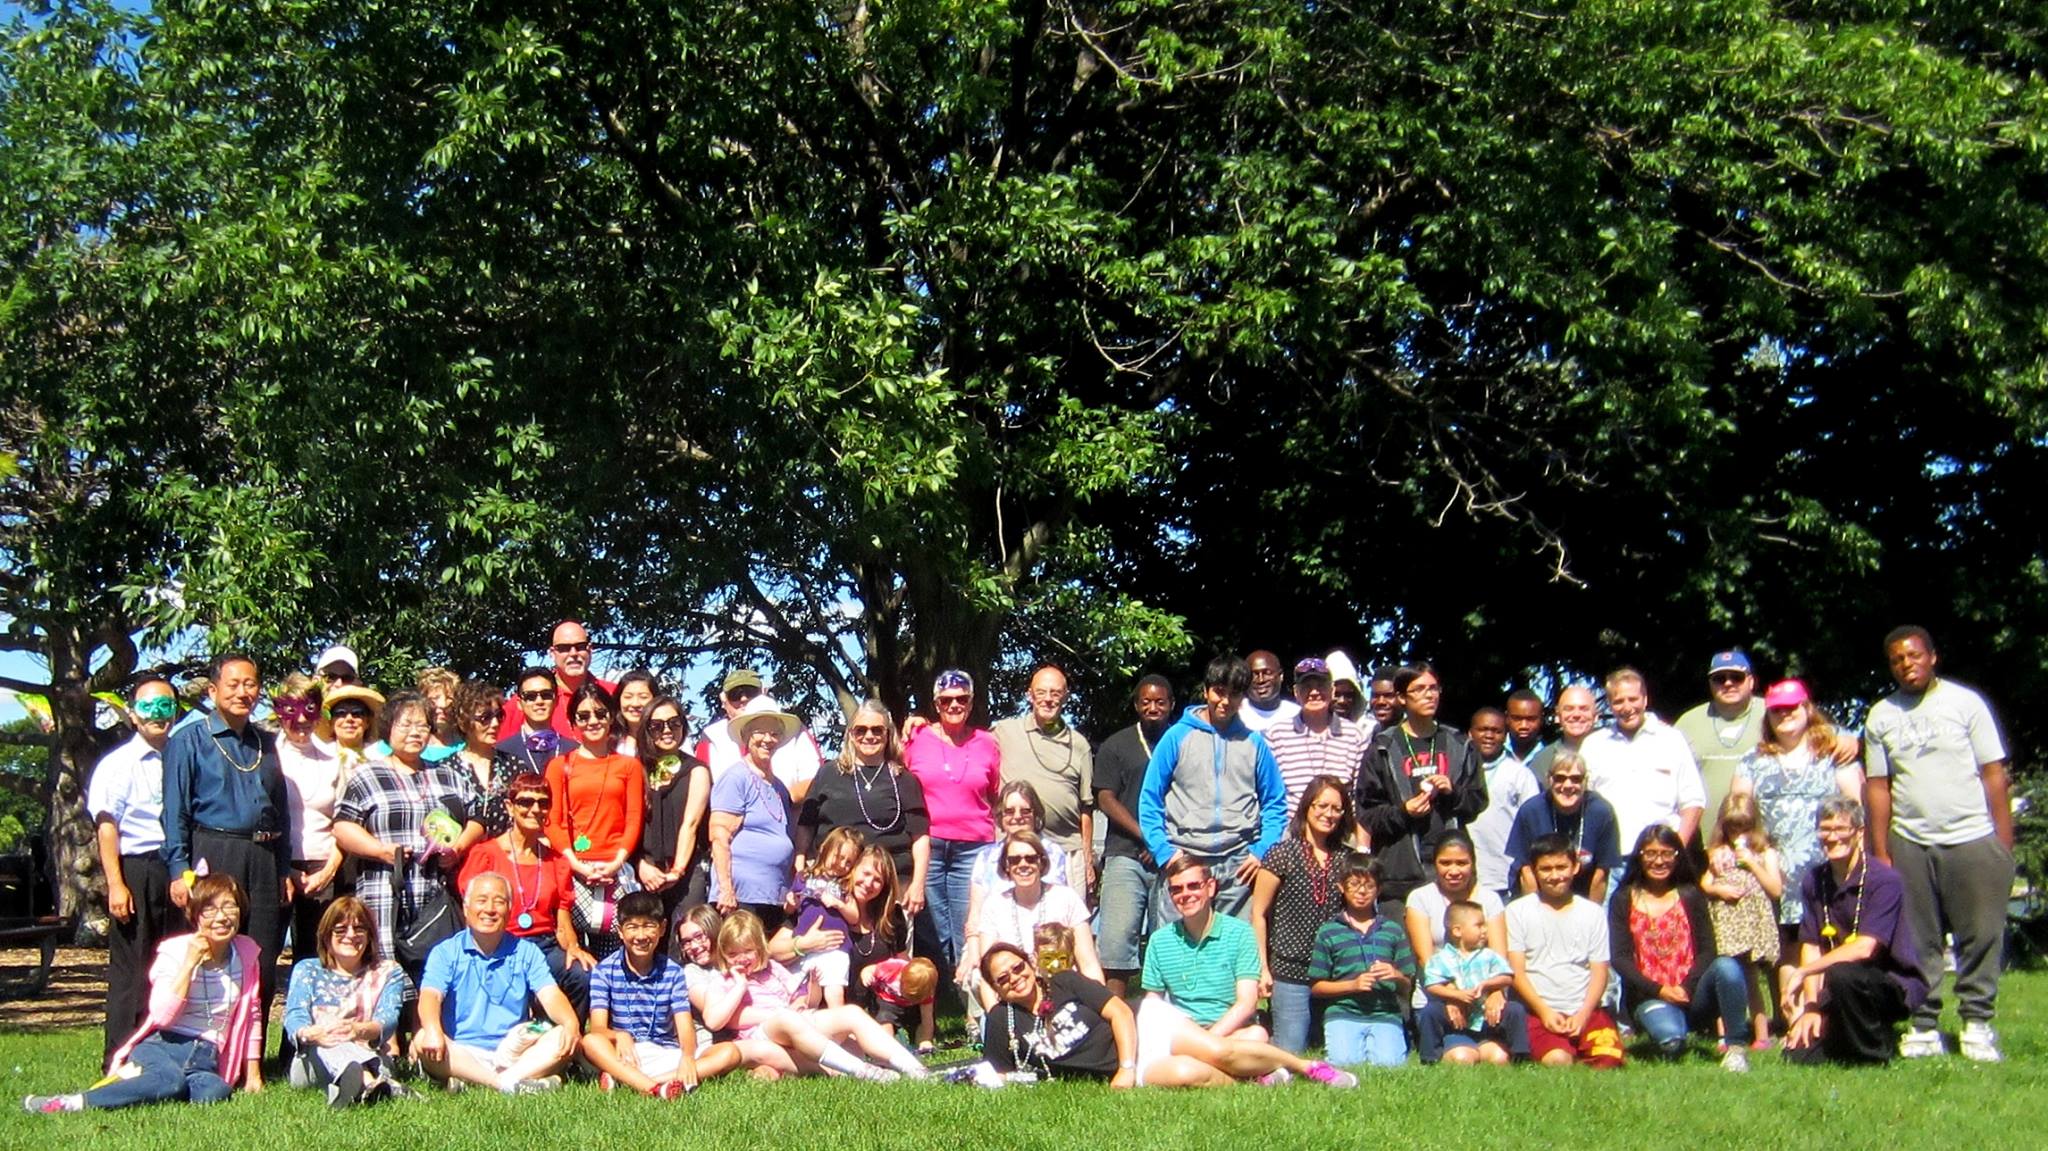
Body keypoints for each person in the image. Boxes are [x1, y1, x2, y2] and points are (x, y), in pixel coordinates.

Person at [1864, 626, 2014, 1061]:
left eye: (1914, 655)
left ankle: (1977, 1023)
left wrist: (2002, 843)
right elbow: (1878, 787)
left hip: (1972, 837)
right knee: (1917, 939)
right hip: (1910, 840)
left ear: (1933, 656)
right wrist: (1881, 851)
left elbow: (1993, 774)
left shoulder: (1966, 704)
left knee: (1981, 935)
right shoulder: (1881, 715)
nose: (1906, 664)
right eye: (1897, 659)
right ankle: (1924, 1024)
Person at [26, 875, 266, 1114]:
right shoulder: (174, 952)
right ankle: (73, 1102)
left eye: (229, 906)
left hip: (205, 1058)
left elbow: (252, 1015)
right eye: (210, 909)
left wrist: (253, 1075)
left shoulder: (246, 953)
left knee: (214, 1092)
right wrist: (189, 964)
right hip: (164, 1046)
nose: (222, 917)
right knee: (171, 1082)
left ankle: (145, 1082)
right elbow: (162, 1017)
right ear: (195, 915)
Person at [1134, 857, 1357, 1087]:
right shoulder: (1159, 941)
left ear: (1210, 887)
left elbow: (1247, 1003)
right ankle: (1273, 1073)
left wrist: (1208, 1041)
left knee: (1256, 1035)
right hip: (1182, 1034)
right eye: (1177, 889)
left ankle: (1305, 1068)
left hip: (1229, 1031)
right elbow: (1153, 1005)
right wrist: (1201, 1043)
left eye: (1193, 886)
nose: (1185, 894)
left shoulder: (1240, 933)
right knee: (1184, 1072)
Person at [159, 652, 292, 1031]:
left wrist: (283, 867)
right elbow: (174, 812)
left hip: (263, 856)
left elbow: (281, 811)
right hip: (214, 852)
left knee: (261, 959)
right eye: (233, 684)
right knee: (214, 955)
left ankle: (250, 1052)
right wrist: (178, 869)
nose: (242, 692)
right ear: (213, 690)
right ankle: (210, 1044)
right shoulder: (189, 741)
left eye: (250, 684)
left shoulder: (267, 742)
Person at [1731, 678, 1864, 1009]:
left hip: (1827, 863)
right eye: (1776, 710)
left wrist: (1859, 857)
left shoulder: (1833, 752)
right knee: (1787, 945)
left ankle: (1827, 1010)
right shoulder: (1752, 760)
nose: (1784, 715)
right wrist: (1742, 853)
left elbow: (1856, 806)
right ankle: (1794, 1017)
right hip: (1774, 868)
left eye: (1791, 708)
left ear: (1807, 709)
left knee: (1828, 938)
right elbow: (1739, 812)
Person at [332, 691, 482, 969]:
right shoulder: (368, 775)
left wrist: (458, 847)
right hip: (383, 890)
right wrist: (380, 851)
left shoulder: (448, 776)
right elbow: (342, 827)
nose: (415, 732)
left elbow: (478, 817)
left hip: (435, 896)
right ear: (388, 728)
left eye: (422, 725)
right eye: (406, 725)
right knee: (383, 970)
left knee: (436, 973)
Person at [695, 909, 930, 1080]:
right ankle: (862, 1071)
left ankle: (915, 1068)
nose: (742, 959)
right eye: (733, 954)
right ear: (724, 955)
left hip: (795, 1027)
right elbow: (713, 1021)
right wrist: (740, 986)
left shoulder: (773, 970)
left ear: (760, 948)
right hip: (761, 1035)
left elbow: (803, 1001)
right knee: (786, 1018)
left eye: (748, 951)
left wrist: (810, 991)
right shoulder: (722, 981)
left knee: (850, 1013)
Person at [1138, 655, 1288, 918]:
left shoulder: (1254, 743)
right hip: (1185, 858)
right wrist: (1165, 852)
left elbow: (1275, 802)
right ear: (1206, 691)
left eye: (1234, 694)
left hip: (1239, 866)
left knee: (1235, 941)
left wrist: (1261, 851)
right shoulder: (1176, 737)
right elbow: (1150, 798)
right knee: (1176, 941)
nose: (1225, 701)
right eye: (1219, 692)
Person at [1782, 796, 1927, 1065]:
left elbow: (1864, 948)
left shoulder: (1884, 880)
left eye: (1840, 829)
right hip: (1837, 986)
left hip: (1888, 983)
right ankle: (1851, 1040)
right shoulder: (1815, 880)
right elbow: (1812, 945)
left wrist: (1803, 972)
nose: (1832, 837)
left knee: (1844, 974)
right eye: (1825, 829)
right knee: (1798, 1054)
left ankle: (1874, 1055)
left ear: (1859, 833)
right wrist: (1811, 1007)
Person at [410, 872, 580, 1093]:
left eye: (499, 902)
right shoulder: (445, 952)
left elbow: (550, 995)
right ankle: (510, 1083)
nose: (490, 909)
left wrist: (570, 1022)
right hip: (462, 1051)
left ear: (509, 910)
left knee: (561, 1035)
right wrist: (433, 1030)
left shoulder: (527, 951)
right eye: (481, 900)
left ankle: (482, 1080)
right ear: (466, 908)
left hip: (513, 1052)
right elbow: (430, 995)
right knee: (423, 1038)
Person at [1607, 826, 1754, 1072]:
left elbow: (1708, 949)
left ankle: (1737, 1048)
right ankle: (1672, 1029)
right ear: (1640, 856)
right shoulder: (1623, 898)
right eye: (1651, 853)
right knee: (1671, 1043)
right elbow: (1620, 959)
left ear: (1677, 856)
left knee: (1727, 967)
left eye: (1667, 853)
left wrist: (1686, 987)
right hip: (1650, 995)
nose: (1659, 861)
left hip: (1691, 992)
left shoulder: (1690, 894)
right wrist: (1660, 990)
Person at [88, 676, 180, 1063]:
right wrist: (116, 884)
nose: (158, 715)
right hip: (137, 868)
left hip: (176, 868)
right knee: (133, 966)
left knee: (173, 962)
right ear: (132, 714)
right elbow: (106, 827)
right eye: (148, 706)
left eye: (166, 706)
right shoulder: (117, 764)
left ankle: (163, 1053)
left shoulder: (182, 756)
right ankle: (120, 1056)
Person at [581, 890, 741, 1097]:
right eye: (632, 927)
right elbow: (598, 1028)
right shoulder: (604, 971)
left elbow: (684, 1025)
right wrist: (619, 1035)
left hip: (664, 1051)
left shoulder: (673, 972)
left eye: (649, 926)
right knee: (591, 1042)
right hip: (626, 1053)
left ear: (662, 928)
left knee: (729, 1053)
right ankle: (654, 1088)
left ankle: (635, 1080)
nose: (641, 936)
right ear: (620, 931)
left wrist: (687, 1056)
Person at [456, 772, 593, 1014]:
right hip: (499, 942)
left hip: (545, 945)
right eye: (526, 802)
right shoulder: (485, 855)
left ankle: (564, 1034)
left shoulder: (556, 861)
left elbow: (562, 922)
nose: (535, 809)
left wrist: (573, 947)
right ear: (510, 807)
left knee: (582, 974)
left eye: (543, 803)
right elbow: (472, 915)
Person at [1355, 664, 1488, 903]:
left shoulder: (1459, 744)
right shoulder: (1383, 747)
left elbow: (1477, 801)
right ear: (1401, 697)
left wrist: (1452, 792)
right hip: (1400, 875)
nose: (1429, 695)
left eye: (1433, 688)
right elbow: (1367, 813)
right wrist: (1403, 812)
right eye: (1419, 689)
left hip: (1451, 872)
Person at [902, 668, 1002, 977]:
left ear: (971, 703)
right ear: (936, 704)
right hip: (929, 843)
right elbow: (899, 782)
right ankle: (937, 988)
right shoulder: (916, 738)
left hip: (973, 845)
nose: (954, 705)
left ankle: (968, 986)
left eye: (961, 699)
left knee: (968, 923)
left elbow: (994, 794)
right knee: (931, 925)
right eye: (946, 700)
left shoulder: (987, 743)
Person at [796, 699, 931, 925]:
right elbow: (806, 825)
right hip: (833, 884)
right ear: (850, 734)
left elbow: (920, 837)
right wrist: (800, 866)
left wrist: (918, 884)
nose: (869, 736)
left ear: (888, 734)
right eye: (861, 730)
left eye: (877, 730)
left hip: (891, 887)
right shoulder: (828, 774)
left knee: (890, 947)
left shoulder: (904, 779)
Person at [1249, 775, 1353, 1053]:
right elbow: (1258, 913)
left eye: (1336, 808)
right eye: (1322, 806)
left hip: (1333, 973)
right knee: (1291, 1050)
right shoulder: (1281, 854)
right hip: (1290, 970)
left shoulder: (1346, 859)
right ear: (1307, 806)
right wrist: (1263, 968)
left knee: (1336, 1051)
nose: (1329, 814)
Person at [546, 681, 646, 957]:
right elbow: (552, 821)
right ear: (573, 722)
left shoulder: (629, 766)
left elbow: (634, 818)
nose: (593, 721)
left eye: (600, 713)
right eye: (584, 715)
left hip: (615, 869)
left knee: (615, 955)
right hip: (572, 870)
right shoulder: (559, 766)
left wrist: (615, 863)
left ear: (611, 717)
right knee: (573, 955)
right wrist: (576, 864)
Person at [1506, 834, 1623, 1068]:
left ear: (1575, 867)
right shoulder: (1517, 911)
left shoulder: (1592, 913)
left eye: (1561, 867)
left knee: (1609, 1060)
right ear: (1534, 871)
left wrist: (1583, 1014)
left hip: (1586, 1009)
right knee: (1558, 1060)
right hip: (1539, 1011)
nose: (1554, 876)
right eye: (1546, 869)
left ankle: (1582, 1045)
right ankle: (1563, 1049)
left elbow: (1599, 970)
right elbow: (1516, 972)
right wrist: (1545, 1012)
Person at [282, 896, 410, 1106]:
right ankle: (369, 1082)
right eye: (340, 930)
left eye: (359, 929)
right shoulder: (307, 969)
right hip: (313, 1059)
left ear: (370, 936)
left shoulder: (389, 972)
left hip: (371, 1056)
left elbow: (388, 1019)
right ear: (326, 936)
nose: (351, 935)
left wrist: (356, 1030)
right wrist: (311, 1033)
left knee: (336, 1036)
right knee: (329, 1038)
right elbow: (295, 1016)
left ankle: (348, 1090)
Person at [1403, 830, 1514, 1063]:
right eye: (1445, 863)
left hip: (1483, 1001)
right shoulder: (1420, 898)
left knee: (1498, 1058)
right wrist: (1453, 996)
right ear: (1434, 864)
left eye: (1462, 863)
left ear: (1473, 863)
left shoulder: (1490, 899)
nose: (1453, 870)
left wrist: (1495, 992)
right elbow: (1425, 959)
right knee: (1462, 1057)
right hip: (1436, 1002)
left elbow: (1499, 956)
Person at [1093, 675, 1173, 995]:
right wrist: (1146, 836)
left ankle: (1169, 1014)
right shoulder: (1117, 744)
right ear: (1137, 705)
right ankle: (1115, 1016)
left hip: (1171, 854)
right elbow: (1105, 798)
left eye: (1160, 702)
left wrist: (1162, 842)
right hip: (1125, 852)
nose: (1153, 708)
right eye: (1146, 702)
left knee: (1171, 941)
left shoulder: (1183, 742)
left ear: (1171, 705)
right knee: (1116, 943)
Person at [963, 830, 1102, 1006]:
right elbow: (988, 973)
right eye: (1015, 860)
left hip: (1063, 990)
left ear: (1041, 862)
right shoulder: (993, 905)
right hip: (1015, 993)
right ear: (1006, 866)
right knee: (976, 976)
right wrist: (994, 1016)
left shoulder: (1067, 898)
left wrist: (1101, 1006)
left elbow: (1088, 964)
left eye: (1030, 858)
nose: (1023, 864)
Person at [1581, 667, 1706, 863]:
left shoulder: (1671, 739)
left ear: (1645, 699)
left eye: (1633, 699)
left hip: (1661, 859)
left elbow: (1693, 801)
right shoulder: (1593, 745)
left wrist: (1676, 850)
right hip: (1611, 860)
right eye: (1619, 701)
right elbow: (1582, 804)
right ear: (1610, 705)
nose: (1627, 707)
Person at [992, 664, 1094, 891]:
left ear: (1065, 697)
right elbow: (967, 741)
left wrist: (1087, 859)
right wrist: (919, 723)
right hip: (1015, 851)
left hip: (1067, 850)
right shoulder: (1005, 731)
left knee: (1068, 913)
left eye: (1055, 693)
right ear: (1030, 695)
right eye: (1041, 692)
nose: (1048, 699)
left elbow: (1086, 808)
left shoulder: (1079, 745)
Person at [1307, 856, 1416, 1067]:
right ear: (1341, 887)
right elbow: (1316, 987)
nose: (1362, 891)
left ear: (1379, 889)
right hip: (1343, 1012)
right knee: (1344, 1063)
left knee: (1389, 1066)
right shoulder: (1329, 931)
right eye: (1354, 884)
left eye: (1369, 885)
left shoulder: (1392, 930)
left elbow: (1407, 985)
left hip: (1385, 1013)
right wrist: (1353, 985)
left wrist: (1397, 976)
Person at [272, 673, 346, 982]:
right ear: (279, 712)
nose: (301, 719)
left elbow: (345, 820)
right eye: (292, 710)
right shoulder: (267, 755)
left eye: (309, 709)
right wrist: (285, 869)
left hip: (323, 866)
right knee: (266, 952)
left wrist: (328, 870)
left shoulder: (334, 758)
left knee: (317, 958)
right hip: (277, 865)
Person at [979, 943, 1137, 1084]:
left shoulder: (1065, 981)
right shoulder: (1002, 1019)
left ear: (1030, 964)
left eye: (1018, 968)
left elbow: (1121, 1013)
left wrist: (1126, 1069)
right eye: (1003, 978)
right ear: (995, 988)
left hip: (1134, 1045)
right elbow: (999, 1075)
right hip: (1098, 1075)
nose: (1014, 978)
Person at [709, 695, 800, 932]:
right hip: (740, 898)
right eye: (760, 732)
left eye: (774, 734)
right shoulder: (735, 778)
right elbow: (719, 836)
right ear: (746, 736)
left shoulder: (779, 787)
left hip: (774, 898)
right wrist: (726, 890)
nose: (767, 739)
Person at [1699, 792, 1781, 1048]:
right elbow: (1705, 883)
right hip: (1726, 923)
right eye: (1732, 827)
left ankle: (1761, 1034)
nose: (1738, 833)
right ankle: (1725, 1034)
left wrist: (1752, 864)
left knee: (1751, 978)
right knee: (1726, 977)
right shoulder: (1718, 852)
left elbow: (1775, 889)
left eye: (1744, 827)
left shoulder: (1765, 853)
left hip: (1752, 923)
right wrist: (1718, 889)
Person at [961, 781, 1071, 946]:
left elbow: (1057, 908)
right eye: (1009, 811)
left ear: (1036, 814)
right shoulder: (986, 857)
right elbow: (975, 916)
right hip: (992, 941)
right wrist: (972, 951)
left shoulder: (1052, 853)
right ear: (1000, 816)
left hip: (1043, 941)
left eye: (1025, 811)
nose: (1017, 817)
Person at [1505, 750, 1621, 901]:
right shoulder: (1531, 811)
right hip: (1538, 895)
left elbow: (1601, 874)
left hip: (1583, 897)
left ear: (1585, 781)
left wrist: (1592, 912)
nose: (1567, 785)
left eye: (1576, 779)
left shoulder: (1601, 812)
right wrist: (1535, 911)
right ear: (1549, 779)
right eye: (1560, 778)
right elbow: (1526, 871)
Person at [697, 669, 827, 801]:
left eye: (751, 692)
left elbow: (816, 779)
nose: (744, 698)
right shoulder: (712, 736)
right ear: (724, 700)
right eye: (735, 694)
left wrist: (778, 803)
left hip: (790, 811)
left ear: (763, 693)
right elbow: (699, 788)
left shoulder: (793, 729)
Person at [1264, 657, 1372, 816]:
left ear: (1332, 691)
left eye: (1321, 686)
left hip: (1339, 826)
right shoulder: (1276, 735)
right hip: (1292, 827)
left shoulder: (1355, 736)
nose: (1314, 692)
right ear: (1296, 692)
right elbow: (1269, 794)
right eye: (1307, 687)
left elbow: (1360, 796)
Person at [637, 694, 714, 917]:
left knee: (687, 931)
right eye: (657, 725)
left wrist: (677, 871)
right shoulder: (637, 768)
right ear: (647, 730)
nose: (667, 730)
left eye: (674, 723)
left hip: (686, 871)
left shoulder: (697, 770)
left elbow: (691, 824)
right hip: (645, 871)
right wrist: (641, 865)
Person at [1420, 902, 1522, 1066]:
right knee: (1430, 1012)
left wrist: (1488, 984)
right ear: (1457, 931)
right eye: (1479, 926)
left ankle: (1520, 1055)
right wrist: (1456, 995)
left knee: (1515, 1009)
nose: (1485, 930)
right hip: (1456, 1015)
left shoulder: (1489, 955)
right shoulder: (1440, 958)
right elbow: (1432, 985)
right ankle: (1430, 1057)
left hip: (1485, 1013)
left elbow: (1507, 977)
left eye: (1485, 925)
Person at [495, 619, 616, 742]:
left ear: (590, 650)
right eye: (564, 648)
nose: (573, 653)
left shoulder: (614, 694)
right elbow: (498, 748)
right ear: (552, 653)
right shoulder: (529, 699)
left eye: (580, 647)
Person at [1467, 705, 1541, 898]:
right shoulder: (1458, 772)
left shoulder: (1520, 775)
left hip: (1505, 878)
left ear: (1505, 736)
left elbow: (1533, 827)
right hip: (1462, 877)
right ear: (1470, 733)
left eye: (1496, 731)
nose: (1489, 736)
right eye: (1482, 730)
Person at [489, 668, 569, 836]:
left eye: (546, 695)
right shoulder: (501, 753)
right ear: (519, 703)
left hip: (566, 842)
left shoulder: (574, 750)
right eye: (530, 696)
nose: (539, 701)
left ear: (556, 700)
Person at [444, 678, 513, 850]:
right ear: (463, 721)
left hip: (505, 857)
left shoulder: (513, 765)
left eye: (499, 716)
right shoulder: (445, 769)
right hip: (459, 858)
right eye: (485, 718)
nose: (495, 724)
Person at [1524, 684, 1597, 781]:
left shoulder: (1612, 753)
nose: (1576, 714)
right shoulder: (1542, 761)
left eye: (1584, 709)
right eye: (1569, 709)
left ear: (1596, 716)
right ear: (1558, 716)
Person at [319, 683, 384, 775]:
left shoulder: (381, 751)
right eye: (340, 713)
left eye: (357, 713)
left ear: (367, 722)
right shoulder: (321, 754)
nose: (349, 719)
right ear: (331, 722)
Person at [1238, 650, 1301, 733]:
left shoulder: (1297, 714)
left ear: (1281, 675)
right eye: (1254, 675)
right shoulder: (1235, 714)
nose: (1261, 680)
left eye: (1267, 673)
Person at [414, 666, 465, 764]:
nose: (443, 705)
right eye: (435, 698)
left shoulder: (466, 747)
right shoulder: (410, 744)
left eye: (449, 698)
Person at [613, 669, 659, 755]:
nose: (635, 704)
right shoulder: (608, 738)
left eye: (643, 697)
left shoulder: (665, 737)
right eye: (628, 697)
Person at [1325, 651, 1369, 729]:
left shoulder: (1368, 729)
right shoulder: (1305, 729)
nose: (1342, 701)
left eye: (1348, 695)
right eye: (1336, 694)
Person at [1504, 690, 1546, 764]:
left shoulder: (1550, 756)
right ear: (1507, 718)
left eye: (1531, 719)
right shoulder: (1493, 752)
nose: (1524, 726)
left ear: (1541, 720)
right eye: (1517, 718)